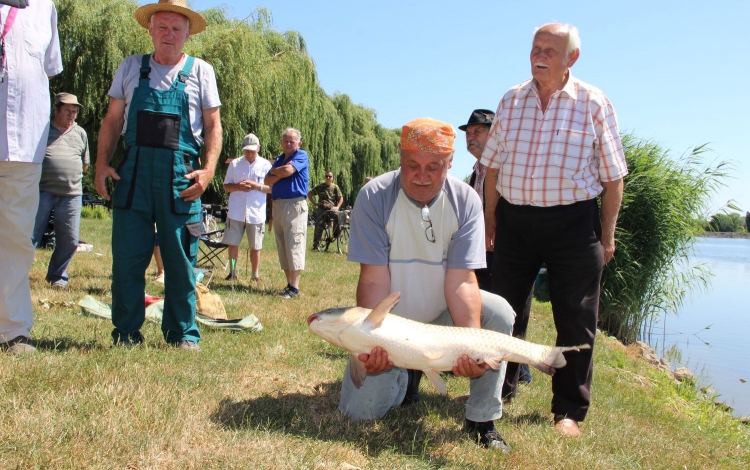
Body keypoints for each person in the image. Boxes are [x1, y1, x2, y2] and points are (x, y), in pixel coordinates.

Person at [481, 23, 628, 437]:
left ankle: (568, 409)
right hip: (514, 219)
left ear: (571, 58)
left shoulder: (594, 102)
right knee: (503, 311)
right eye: (535, 48)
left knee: (576, 316)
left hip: (573, 223)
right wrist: (491, 219)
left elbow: (614, 177)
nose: (539, 55)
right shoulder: (511, 99)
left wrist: (607, 235)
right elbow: (491, 166)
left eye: (549, 49)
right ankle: (496, 391)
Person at [342, 117, 516, 452]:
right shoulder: (374, 196)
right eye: (412, 165)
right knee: (358, 414)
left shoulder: (466, 201)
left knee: (499, 314)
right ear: (400, 159)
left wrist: (471, 345)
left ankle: (482, 419)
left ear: (450, 163)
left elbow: (462, 282)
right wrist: (370, 342)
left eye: (434, 167)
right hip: (393, 324)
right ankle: (407, 374)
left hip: (443, 316)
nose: (422, 176)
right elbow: (374, 278)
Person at [95, 0, 222, 350]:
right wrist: (101, 164)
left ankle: (182, 334)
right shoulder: (130, 67)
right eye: (162, 27)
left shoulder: (201, 72)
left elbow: (213, 126)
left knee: (181, 262)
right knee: (128, 259)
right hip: (133, 175)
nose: (169, 34)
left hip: (181, 177)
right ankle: (125, 333)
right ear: (150, 29)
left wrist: (209, 170)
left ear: (187, 34)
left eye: (176, 28)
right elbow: (112, 120)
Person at [0, 0, 63, 355]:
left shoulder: (43, 7)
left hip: (24, 142)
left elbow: (49, 67)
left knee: (16, 239)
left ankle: (12, 330)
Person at [460, 108, 534, 386]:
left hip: (508, 250)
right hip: (484, 253)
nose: (471, 138)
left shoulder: (508, 169)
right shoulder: (476, 173)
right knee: (492, 310)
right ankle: (514, 371)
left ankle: (515, 373)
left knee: (508, 311)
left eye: (477, 131)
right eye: (468, 134)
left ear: (495, 134)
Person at [31, 93, 89, 288]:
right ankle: (16, 274)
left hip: (71, 194)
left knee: (70, 240)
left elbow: (85, 164)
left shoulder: (80, 133)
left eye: (74, 111)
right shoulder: (43, 130)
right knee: (30, 235)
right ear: (56, 109)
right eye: (67, 111)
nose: (72, 115)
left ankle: (57, 276)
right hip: (42, 191)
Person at [264, 128, 309, 299]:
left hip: (295, 204)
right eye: (285, 140)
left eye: (292, 141)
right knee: (283, 245)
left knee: (294, 243)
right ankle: (289, 284)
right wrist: (278, 171)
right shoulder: (280, 159)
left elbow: (288, 172)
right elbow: (267, 181)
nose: (288, 144)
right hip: (279, 204)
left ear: (299, 143)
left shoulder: (301, 155)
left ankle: (295, 288)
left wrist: (275, 171)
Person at [222, 133, 272, 281]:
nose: (249, 154)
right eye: (247, 150)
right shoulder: (235, 164)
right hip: (236, 211)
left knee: (255, 246)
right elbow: (226, 186)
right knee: (233, 244)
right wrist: (237, 187)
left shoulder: (266, 165)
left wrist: (257, 186)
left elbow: (272, 188)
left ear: (259, 148)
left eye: (253, 151)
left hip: (256, 212)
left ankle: (255, 274)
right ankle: (232, 272)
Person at [308, 170, 343, 251]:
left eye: (330, 176)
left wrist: (337, 207)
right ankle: (316, 246)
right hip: (322, 208)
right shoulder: (320, 186)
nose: (328, 178)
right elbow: (310, 194)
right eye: (326, 176)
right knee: (319, 225)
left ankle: (336, 234)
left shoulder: (335, 187)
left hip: (332, 208)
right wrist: (315, 204)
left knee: (339, 216)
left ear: (332, 178)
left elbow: (341, 198)